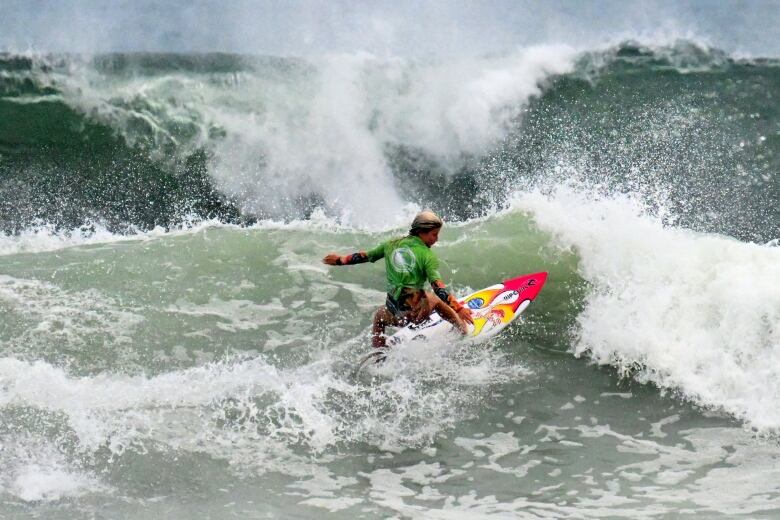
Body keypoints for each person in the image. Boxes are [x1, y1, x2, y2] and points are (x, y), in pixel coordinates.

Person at [322, 211, 473, 348]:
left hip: (396, 314)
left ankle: (378, 351)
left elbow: (365, 256)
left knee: (379, 316)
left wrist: (340, 260)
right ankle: (463, 329)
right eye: (434, 235)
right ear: (421, 232)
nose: (436, 239)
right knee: (436, 301)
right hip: (416, 313)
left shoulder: (390, 245)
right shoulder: (427, 255)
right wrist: (458, 308)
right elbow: (438, 287)